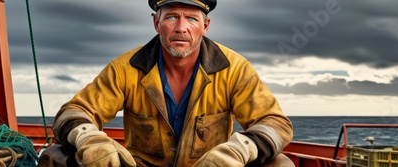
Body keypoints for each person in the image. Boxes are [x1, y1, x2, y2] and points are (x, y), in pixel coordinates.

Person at [44, 0, 294, 166]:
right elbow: (74, 111)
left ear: (205, 26)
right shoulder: (125, 69)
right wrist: (90, 139)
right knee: (54, 157)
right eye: (172, 17)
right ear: (156, 23)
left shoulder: (234, 69)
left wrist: (239, 150)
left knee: (281, 164)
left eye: (192, 19)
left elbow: (275, 123)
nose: (181, 28)